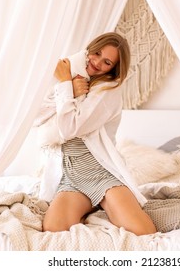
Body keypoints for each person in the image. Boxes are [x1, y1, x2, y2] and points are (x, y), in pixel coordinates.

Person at [42, 32, 157, 236]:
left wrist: (65, 85)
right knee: (52, 229)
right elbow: (37, 117)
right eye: (95, 53)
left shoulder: (108, 91)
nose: (96, 63)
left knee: (143, 231)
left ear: (113, 69)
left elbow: (69, 129)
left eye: (106, 62)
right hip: (71, 174)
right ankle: (90, 206)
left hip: (101, 173)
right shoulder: (77, 81)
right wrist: (71, 88)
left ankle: (102, 202)